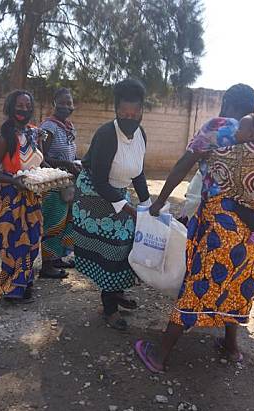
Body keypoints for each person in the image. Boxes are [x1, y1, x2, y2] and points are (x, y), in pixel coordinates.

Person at [134, 83, 254, 371]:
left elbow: (184, 165)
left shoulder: (217, 126)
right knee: (238, 282)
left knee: (199, 284)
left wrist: (158, 202)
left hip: (221, 223)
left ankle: (160, 354)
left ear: (226, 102)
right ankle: (231, 346)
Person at [72, 78, 151, 330]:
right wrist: (130, 209)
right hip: (94, 194)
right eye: (123, 112)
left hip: (118, 192)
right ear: (116, 110)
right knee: (112, 248)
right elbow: (100, 181)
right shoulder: (107, 134)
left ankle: (115, 291)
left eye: (135, 112)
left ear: (141, 110)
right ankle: (109, 308)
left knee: (126, 244)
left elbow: (137, 173)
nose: (130, 117)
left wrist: (148, 204)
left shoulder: (141, 135)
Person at [0, 90, 44, 302]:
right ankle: (12, 286)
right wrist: (13, 180)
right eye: (19, 106)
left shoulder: (34, 134)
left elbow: (39, 162)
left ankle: (25, 280)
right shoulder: (4, 139)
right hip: (12, 197)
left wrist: (56, 173)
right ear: (11, 107)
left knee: (33, 239)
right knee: (13, 242)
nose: (23, 110)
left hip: (33, 195)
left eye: (27, 106)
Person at [194, 112, 254, 244]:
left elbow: (221, 157)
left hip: (252, 192)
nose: (236, 132)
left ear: (251, 135)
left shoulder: (242, 149)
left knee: (236, 203)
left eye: (240, 129)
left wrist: (207, 154)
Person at [38, 88, 81, 279]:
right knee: (52, 222)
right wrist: (65, 165)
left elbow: (69, 154)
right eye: (62, 103)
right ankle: (47, 265)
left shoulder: (69, 127)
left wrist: (77, 163)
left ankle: (57, 258)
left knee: (65, 222)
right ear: (54, 103)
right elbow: (41, 157)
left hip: (67, 182)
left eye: (69, 103)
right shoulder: (49, 127)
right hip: (53, 183)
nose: (66, 107)